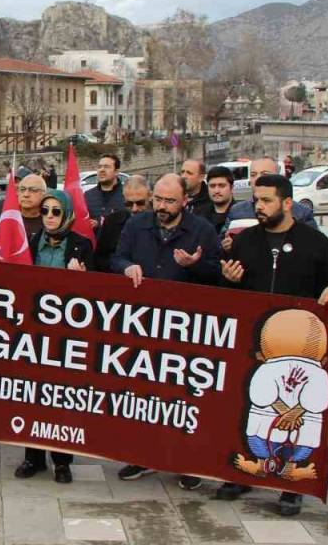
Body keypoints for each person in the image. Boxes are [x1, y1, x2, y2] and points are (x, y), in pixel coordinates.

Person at [216, 173, 328, 515]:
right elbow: (229, 298)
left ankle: (289, 485)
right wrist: (229, 282)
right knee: (247, 410)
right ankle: (241, 474)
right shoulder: (245, 242)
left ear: (287, 204)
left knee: (293, 417)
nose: (260, 206)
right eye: (257, 199)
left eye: (267, 200)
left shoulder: (314, 243)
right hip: (255, 344)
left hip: (297, 346)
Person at [111, 173, 222, 490]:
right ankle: (143, 456)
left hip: (185, 328)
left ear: (185, 201)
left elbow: (218, 275)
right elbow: (117, 257)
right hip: (144, 323)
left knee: (183, 399)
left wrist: (193, 265)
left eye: (169, 201)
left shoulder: (202, 230)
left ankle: (187, 462)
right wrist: (125, 268)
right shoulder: (137, 225)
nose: (161, 206)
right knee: (145, 396)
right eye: (157, 199)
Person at [15, 188, 92, 483]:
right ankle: (32, 458)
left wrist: (83, 278)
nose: (48, 217)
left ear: (68, 215)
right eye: (44, 210)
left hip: (65, 335)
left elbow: (98, 292)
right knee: (31, 397)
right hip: (33, 333)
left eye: (55, 211)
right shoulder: (32, 243)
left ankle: (61, 461)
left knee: (59, 399)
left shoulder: (81, 246)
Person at [225, 157, 317, 248]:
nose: (258, 179)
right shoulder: (237, 211)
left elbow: (314, 248)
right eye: (253, 175)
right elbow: (221, 243)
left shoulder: (302, 213)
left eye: (264, 174)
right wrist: (226, 246)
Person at [94, 175, 149, 273]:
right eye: (129, 204)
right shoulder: (112, 221)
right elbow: (101, 257)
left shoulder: (162, 221)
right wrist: (123, 267)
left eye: (140, 203)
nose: (134, 209)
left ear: (150, 197)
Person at [83, 154, 124, 228]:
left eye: (106, 167)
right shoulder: (87, 196)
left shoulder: (126, 195)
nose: (102, 170)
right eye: (99, 167)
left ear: (116, 172)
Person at [196, 166, 236, 234]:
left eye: (221, 186)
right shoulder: (198, 215)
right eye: (212, 186)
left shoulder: (241, 214)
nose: (216, 191)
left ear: (231, 188)